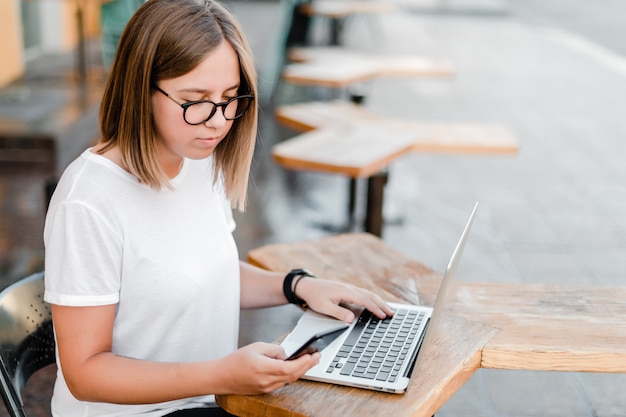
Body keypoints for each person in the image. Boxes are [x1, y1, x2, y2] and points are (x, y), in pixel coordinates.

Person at [43, 1, 394, 416]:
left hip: (208, 399)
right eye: (196, 100)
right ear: (140, 88)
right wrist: (221, 375)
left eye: (230, 98)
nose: (218, 121)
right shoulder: (88, 201)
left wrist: (297, 286)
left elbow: (209, 270)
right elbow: (85, 374)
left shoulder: (197, 157)